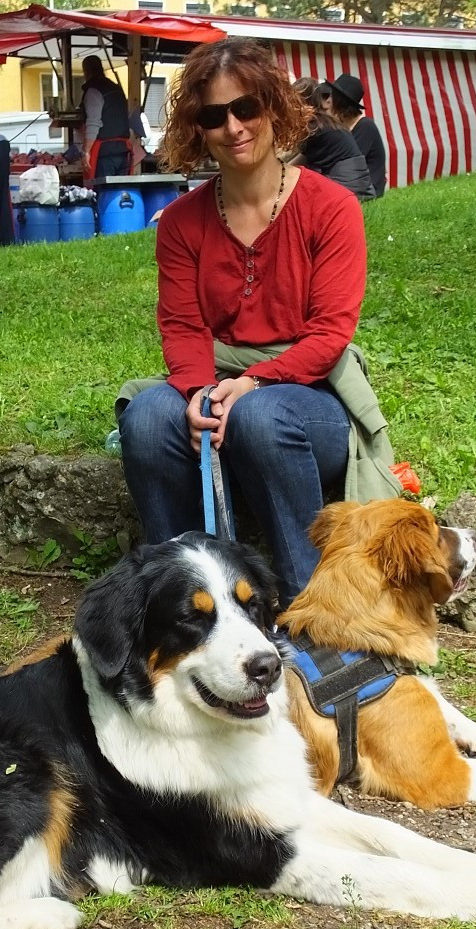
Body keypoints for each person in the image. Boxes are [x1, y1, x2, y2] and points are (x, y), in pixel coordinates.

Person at [116, 39, 399, 609]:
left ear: (273, 107)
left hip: (306, 398)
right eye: (214, 115)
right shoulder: (181, 223)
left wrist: (253, 383)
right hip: (218, 380)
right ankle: (182, 600)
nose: (234, 127)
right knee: (148, 418)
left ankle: (312, 607)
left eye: (245, 107)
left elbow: (329, 334)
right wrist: (197, 391)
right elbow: (182, 324)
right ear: (198, 128)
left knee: (260, 416)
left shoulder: (331, 208)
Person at [290, 77, 375, 201]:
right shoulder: (325, 123)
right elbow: (302, 157)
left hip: (350, 188)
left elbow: (295, 158)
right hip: (359, 186)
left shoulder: (315, 127)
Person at [323, 73, 387, 198]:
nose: (328, 100)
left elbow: (344, 164)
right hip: (352, 186)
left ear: (341, 102)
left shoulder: (365, 127)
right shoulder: (343, 127)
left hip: (368, 190)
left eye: (332, 96)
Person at [79, 55, 132, 179]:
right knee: (120, 193)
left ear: (86, 71)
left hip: (105, 154)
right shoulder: (116, 88)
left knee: (104, 192)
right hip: (123, 152)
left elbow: (93, 123)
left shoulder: (94, 91)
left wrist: (86, 151)